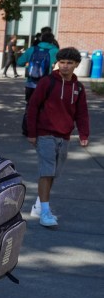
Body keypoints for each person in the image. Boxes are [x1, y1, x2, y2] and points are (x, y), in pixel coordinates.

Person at [26, 47, 90, 228]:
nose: (65, 66)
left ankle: (39, 206)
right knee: (46, 172)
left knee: (53, 173)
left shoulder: (78, 87)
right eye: (62, 62)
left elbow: (82, 113)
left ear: (76, 65)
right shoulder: (48, 82)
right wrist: (32, 133)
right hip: (45, 133)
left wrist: (84, 134)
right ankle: (45, 213)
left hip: (65, 136)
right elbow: (32, 107)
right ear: (57, 63)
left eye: (69, 63)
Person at [16, 30, 58, 101]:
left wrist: (29, 65)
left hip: (31, 83)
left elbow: (20, 62)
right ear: (52, 40)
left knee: (30, 105)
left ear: (41, 39)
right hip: (48, 83)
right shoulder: (56, 51)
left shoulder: (31, 49)